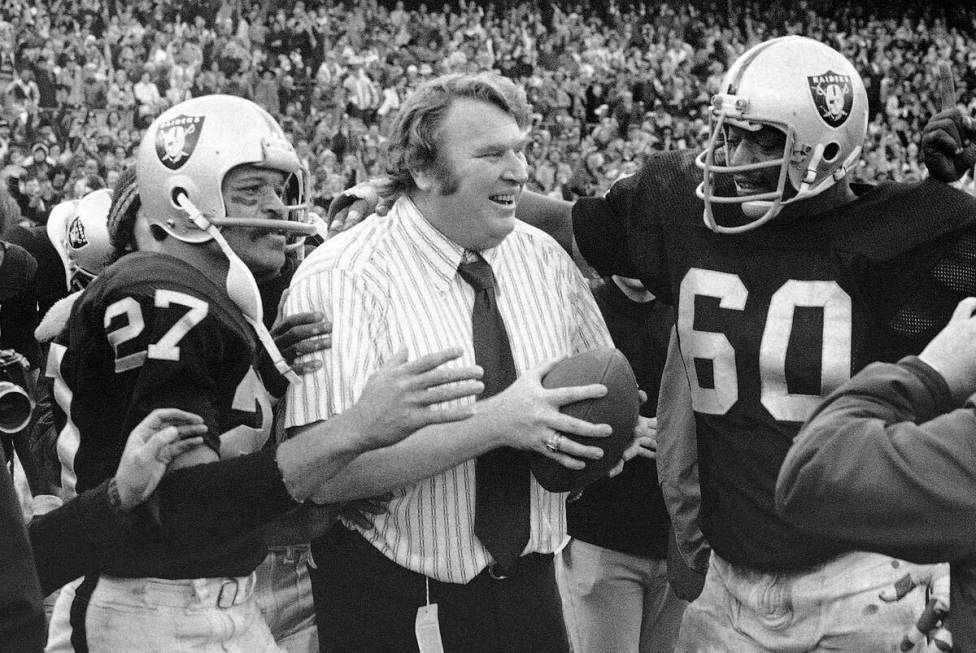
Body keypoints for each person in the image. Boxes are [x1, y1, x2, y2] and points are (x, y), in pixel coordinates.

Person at [329, 36, 976, 651]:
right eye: (728, 129)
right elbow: (567, 225)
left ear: (825, 150)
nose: (729, 154)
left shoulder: (916, 227)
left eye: (758, 140)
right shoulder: (679, 206)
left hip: (861, 571)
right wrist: (408, 195)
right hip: (733, 578)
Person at [45, 94, 486, 652]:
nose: (276, 207)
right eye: (251, 191)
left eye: (280, 189)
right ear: (183, 199)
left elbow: (213, 452)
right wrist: (353, 432)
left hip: (214, 596)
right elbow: (184, 504)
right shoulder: (159, 292)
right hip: (144, 601)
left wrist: (264, 378)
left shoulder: (212, 300)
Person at [283, 72, 622, 652]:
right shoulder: (344, 276)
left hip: (531, 588)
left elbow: (593, 383)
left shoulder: (543, 259)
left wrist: (603, 433)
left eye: (519, 150)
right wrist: (497, 422)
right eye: (491, 153)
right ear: (421, 169)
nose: (517, 170)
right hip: (394, 594)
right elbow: (324, 475)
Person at [557, 275, 685, 653]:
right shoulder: (582, 311)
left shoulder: (685, 313)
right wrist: (619, 428)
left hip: (673, 545)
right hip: (604, 540)